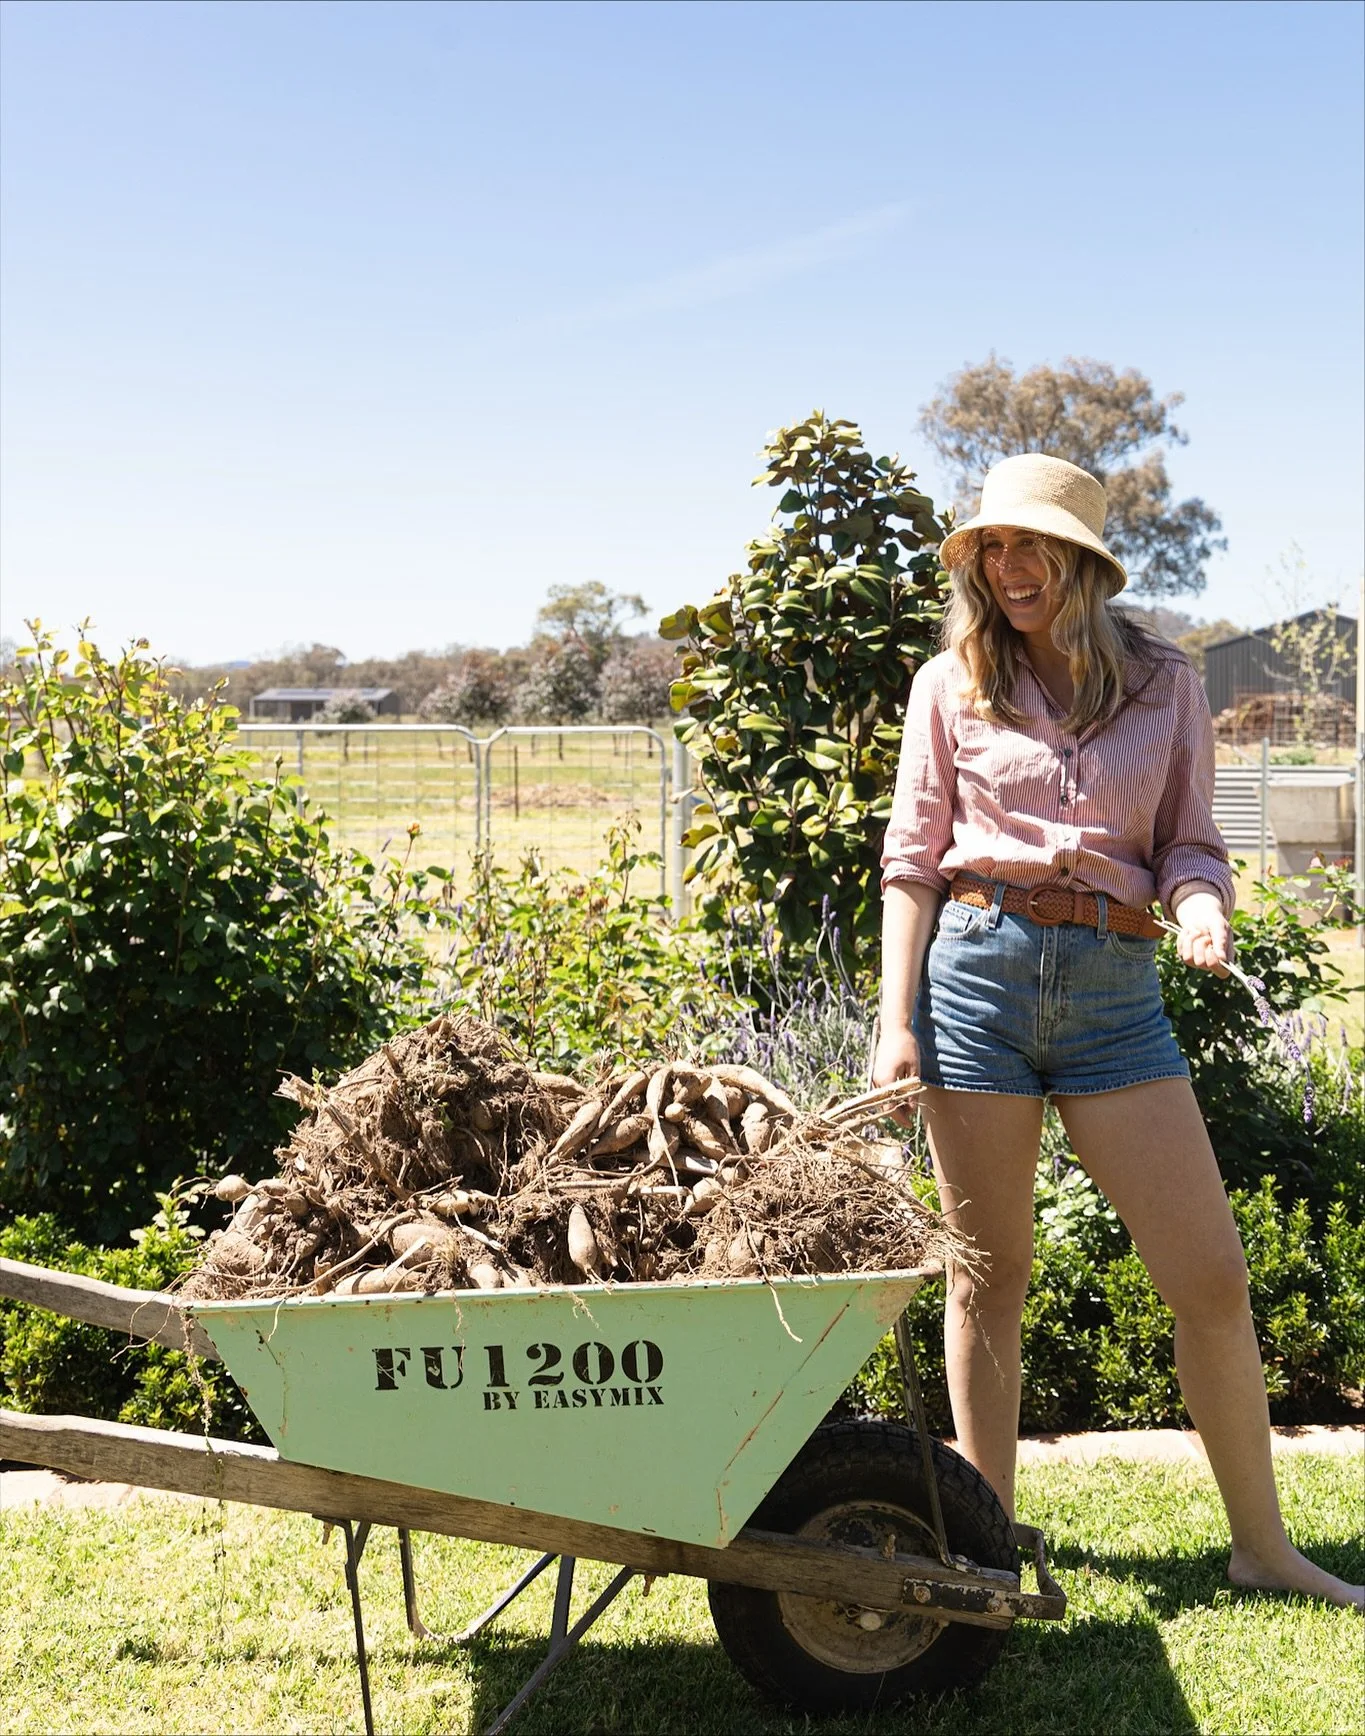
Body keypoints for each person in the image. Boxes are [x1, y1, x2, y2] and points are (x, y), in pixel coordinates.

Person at [873, 452, 1362, 1609]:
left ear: (1086, 565)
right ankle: (985, 1545)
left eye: (1034, 546)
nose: (1010, 566)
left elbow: (1193, 842)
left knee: (1211, 1276)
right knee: (987, 1279)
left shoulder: (1167, 684)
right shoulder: (950, 683)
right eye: (994, 546)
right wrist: (895, 1023)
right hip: (977, 978)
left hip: (1115, 994)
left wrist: (1200, 907)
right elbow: (910, 861)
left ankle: (1263, 1547)